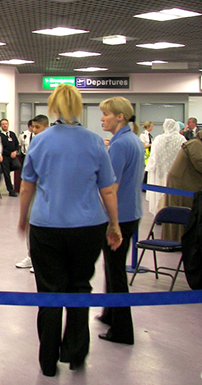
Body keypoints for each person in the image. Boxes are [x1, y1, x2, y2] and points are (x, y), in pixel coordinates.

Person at [18, 85, 121, 377]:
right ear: (78, 107)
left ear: (53, 107)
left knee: (49, 292)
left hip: (46, 225)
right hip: (88, 226)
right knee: (80, 286)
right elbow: (108, 191)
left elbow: (27, 185)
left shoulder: (40, 141)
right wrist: (114, 225)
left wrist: (23, 217)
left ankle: (48, 361)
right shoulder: (94, 142)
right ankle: (76, 354)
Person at [98, 97, 145, 345]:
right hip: (132, 212)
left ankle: (122, 330)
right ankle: (109, 312)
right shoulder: (133, 140)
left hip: (120, 216)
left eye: (106, 114)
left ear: (120, 116)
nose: (102, 118)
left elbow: (111, 188)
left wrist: (111, 222)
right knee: (111, 267)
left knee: (116, 271)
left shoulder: (119, 145)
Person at [15, 114, 49, 271]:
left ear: (46, 127)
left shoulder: (49, 142)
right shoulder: (33, 141)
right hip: (33, 187)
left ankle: (39, 259)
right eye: (33, 127)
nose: (34, 130)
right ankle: (31, 256)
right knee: (30, 222)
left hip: (45, 190)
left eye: (38, 127)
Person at [163, 130, 202, 241]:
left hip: (185, 182)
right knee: (181, 211)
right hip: (181, 183)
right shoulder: (195, 144)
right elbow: (200, 163)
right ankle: (179, 240)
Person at [145, 119, 184, 215]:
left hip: (160, 172)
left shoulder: (159, 139)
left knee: (159, 193)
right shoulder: (181, 139)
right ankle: (172, 213)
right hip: (176, 173)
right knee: (173, 195)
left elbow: (153, 157)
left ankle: (160, 213)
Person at [0, 118, 20, 197]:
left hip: (13, 156)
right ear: (1, 126)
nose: (5, 125)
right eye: (3, 124)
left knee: (18, 165)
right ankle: (11, 190)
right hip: (5, 157)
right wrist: (9, 153)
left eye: (6, 124)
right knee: (7, 174)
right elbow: (0, 147)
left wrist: (15, 151)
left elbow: (17, 144)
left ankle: (4, 169)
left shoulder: (12, 134)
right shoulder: (0, 136)